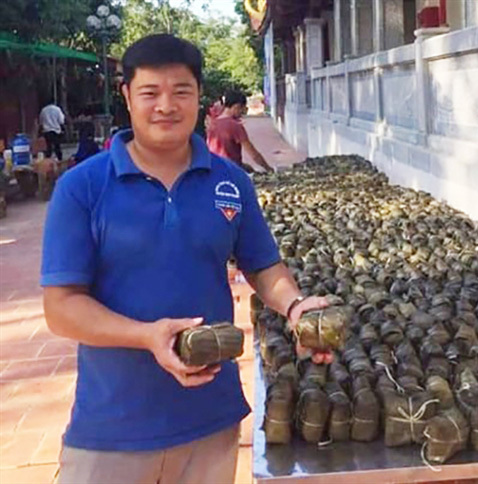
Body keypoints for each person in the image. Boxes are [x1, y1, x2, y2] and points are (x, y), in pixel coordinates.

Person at [41, 33, 331, 484]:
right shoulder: (82, 187)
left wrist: (295, 306)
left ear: (200, 98)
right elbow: (61, 308)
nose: (166, 106)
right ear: (127, 96)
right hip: (113, 430)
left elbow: (263, 266)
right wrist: (147, 337)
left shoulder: (231, 182)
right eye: (150, 93)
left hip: (210, 425)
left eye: (181, 91)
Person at [207, 90, 273, 173]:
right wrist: (268, 168)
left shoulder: (213, 123)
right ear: (236, 106)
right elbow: (253, 154)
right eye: (242, 109)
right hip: (230, 170)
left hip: (214, 167)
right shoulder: (235, 126)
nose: (242, 112)